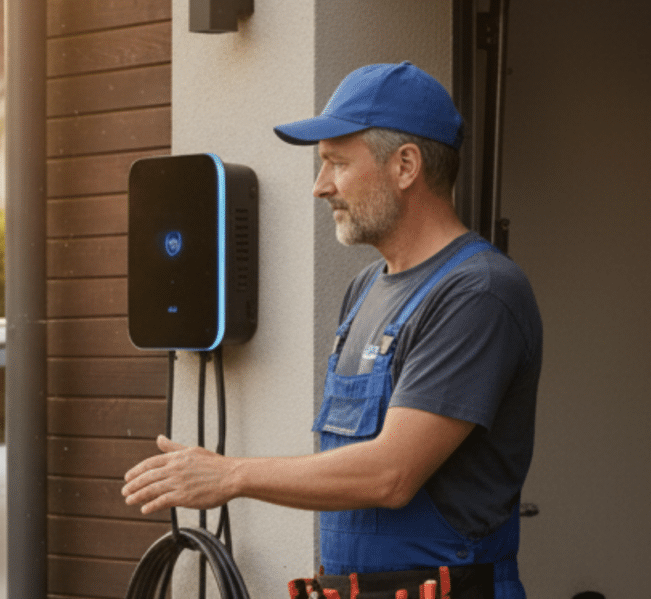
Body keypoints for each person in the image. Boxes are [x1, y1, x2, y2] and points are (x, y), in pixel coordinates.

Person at [121, 62, 542, 599]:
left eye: (336, 163)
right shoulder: (366, 289)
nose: (320, 188)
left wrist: (232, 475)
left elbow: (390, 474)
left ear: (406, 166)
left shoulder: (478, 293)